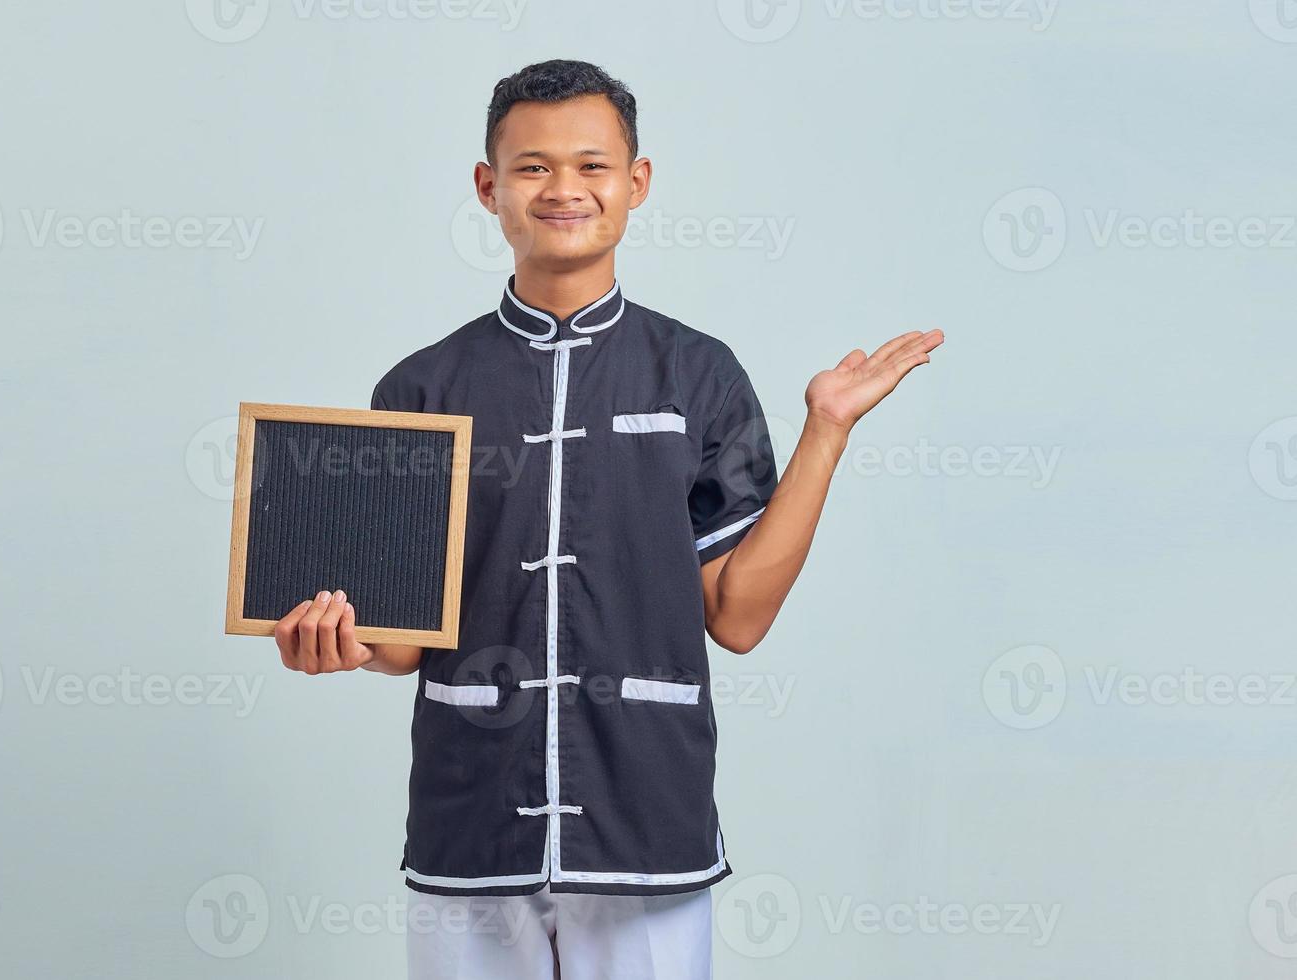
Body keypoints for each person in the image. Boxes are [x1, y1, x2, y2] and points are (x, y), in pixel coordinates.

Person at [272, 59, 944, 980]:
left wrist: (826, 429)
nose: (563, 189)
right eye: (532, 166)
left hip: (646, 817)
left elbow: (738, 616)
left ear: (637, 183)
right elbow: (399, 642)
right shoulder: (420, 388)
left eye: (591, 165)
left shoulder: (699, 375)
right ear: (488, 188)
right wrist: (339, 639)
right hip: (471, 824)